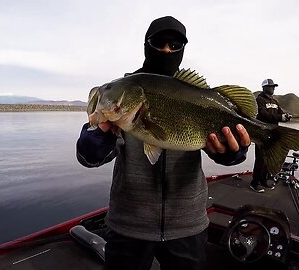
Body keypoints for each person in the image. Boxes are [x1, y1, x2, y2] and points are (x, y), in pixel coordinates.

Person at [76, 16, 251, 270]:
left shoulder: (199, 96)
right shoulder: (127, 94)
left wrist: (232, 153)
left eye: (175, 45)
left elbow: (226, 150)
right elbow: (87, 156)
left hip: (187, 225)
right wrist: (99, 137)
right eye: (159, 42)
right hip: (128, 226)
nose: (167, 50)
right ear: (147, 45)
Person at [250, 78, 292, 193]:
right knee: (260, 159)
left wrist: (285, 116)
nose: (273, 88)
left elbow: (280, 113)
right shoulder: (259, 100)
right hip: (262, 134)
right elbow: (263, 115)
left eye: (274, 86)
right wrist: (280, 118)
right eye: (271, 86)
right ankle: (255, 183)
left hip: (273, 134)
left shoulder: (274, 101)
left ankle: (264, 180)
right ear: (264, 88)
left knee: (269, 158)